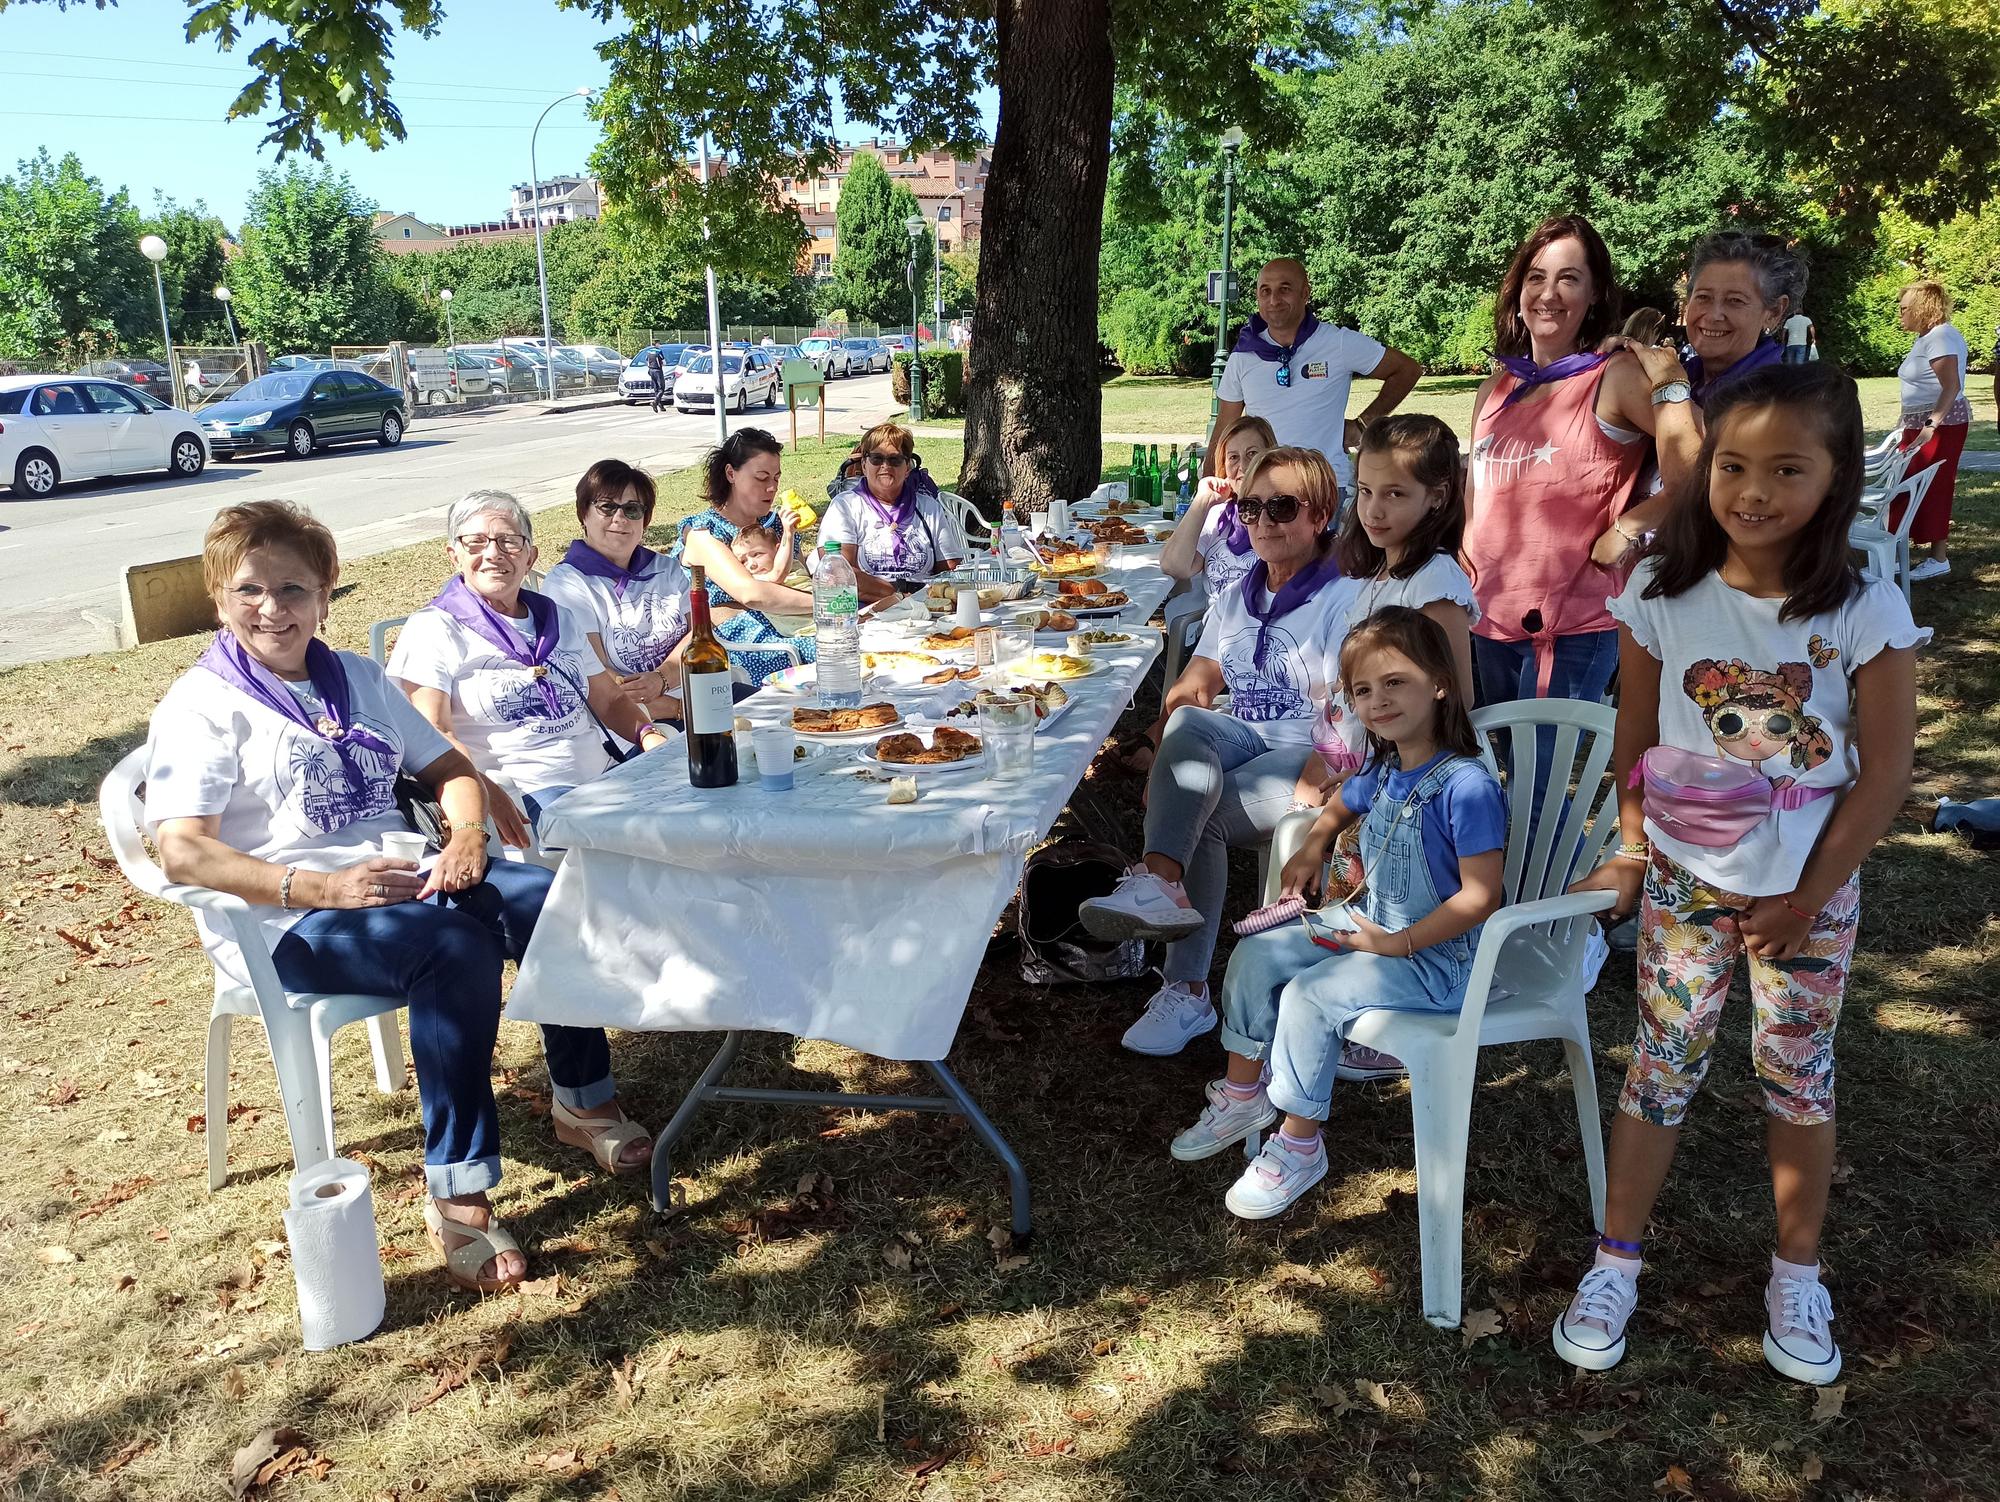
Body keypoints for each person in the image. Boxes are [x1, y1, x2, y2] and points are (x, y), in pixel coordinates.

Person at [145, 501, 656, 1292]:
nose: (272, 609)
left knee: (554, 896)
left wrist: (467, 837)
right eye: (249, 590)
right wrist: (319, 886)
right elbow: (181, 851)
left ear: (325, 593)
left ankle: (581, 1102)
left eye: (294, 589)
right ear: (218, 596)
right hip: (290, 920)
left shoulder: (351, 674)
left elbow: (450, 770)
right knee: (455, 952)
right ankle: (459, 1196)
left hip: (405, 879)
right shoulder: (202, 705)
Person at [1553, 364, 1923, 1385]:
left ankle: (1795, 1271)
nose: (1751, 490)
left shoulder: (1861, 608)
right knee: (1660, 1062)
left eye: (1784, 468)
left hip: (1807, 890)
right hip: (1681, 881)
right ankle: (1613, 1260)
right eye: (1730, 465)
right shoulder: (1658, 594)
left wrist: (1804, 894)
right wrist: (1630, 843)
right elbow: (1635, 731)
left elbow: (1885, 769)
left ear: (1836, 475)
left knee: (1795, 1072)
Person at [1169, 608, 1506, 1218]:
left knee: (1311, 993)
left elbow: (1481, 897)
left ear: (1440, 683)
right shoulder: (1384, 768)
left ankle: (1300, 1143)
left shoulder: (1467, 785)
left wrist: (1396, 946)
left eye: (1395, 682)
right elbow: (1339, 806)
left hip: (1437, 959)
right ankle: (1245, 1091)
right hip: (1369, 926)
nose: (1378, 700)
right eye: (1363, 690)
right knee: (1256, 951)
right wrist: (1313, 844)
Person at [1077, 447, 1350, 1057]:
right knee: (1190, 722)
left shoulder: (1344, 596)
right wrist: (1173, 741)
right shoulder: (1240, 592)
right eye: (1251, 508)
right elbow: (1197, 680)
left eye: (1283, 506)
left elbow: (1351, 705)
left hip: (1311, 751)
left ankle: (1187, 986)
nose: (1264, 521)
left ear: (1322, 514)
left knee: (1200, 819)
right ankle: (1161, 885)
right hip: (1244, 737)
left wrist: (1318, 771)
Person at [1460, 214, 1668, 717]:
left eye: (1568, 278)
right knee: (1499, 767)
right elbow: (1476, 503)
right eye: (1536, 277)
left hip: (1569, 625)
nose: (1548, 293)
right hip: (1486, 617)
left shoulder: (1613, 378)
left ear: (1594, 293)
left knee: (1540, 781)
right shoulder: (1496, 389)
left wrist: (1629, 527)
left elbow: (1709, 459)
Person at [388, 490, 672, 846]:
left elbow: (610, 701)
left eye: (509, 541)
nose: (493, 553)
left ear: (530, 556)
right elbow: (431, 733)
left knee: (698, 809)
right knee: (645, 846)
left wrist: (649, 735)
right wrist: (482, 789)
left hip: (606, 773)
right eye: (475, 542)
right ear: (453, 555)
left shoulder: (556, 618)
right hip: (530, 792)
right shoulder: (434, 628)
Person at [1612, 233, 1810, 515]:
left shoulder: (1777, 392)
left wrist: (1671, 387)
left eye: (1735, 301)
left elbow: (1709, 481)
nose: (1714, 314)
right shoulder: (1690, 373)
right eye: (1703, 297)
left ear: (1774, 313)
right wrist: (1613, 361)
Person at [1123, 415, 1276, 774]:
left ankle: (1160, 743)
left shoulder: (1280, 516)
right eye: (1232, 457)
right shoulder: (1220, 517)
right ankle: (1164, 746)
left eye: (1253, 453)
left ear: (1271, 457)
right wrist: (1202, 501)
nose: (1241, 466)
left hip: (1264, 627)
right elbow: (1175, 565)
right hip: (1216, 631)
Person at [1208, 257, 1422, 495]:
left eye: (1284, 289)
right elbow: (1225, 427)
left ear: (1305, 293)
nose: (1274, 300)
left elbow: (1407, 370)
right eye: (1265, 291)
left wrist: (1363, 424)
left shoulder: (1337, 342)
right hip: (1264, 490)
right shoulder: (1244, 354)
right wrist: (1207, 491)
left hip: (1325, 487)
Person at [540, 459, 692, 731]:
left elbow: (701, 635)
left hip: (689, 692)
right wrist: (669, 706)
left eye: (632, 509)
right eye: (607, 507)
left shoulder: (666, 569)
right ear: (584, 513)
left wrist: (662, 678)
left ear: (645, 520)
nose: (620, 519)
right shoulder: (568, 584)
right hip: (631, 720)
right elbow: (600, 675)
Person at [670, 428, 819, 687]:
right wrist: (830, 604)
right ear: (731, 474)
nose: (772, 487)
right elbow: (750, 593)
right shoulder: (702, 533)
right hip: (741, 643)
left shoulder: (775, 525)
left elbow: (797, 578)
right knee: (833, 655)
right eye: (761, 478)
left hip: (793, 625)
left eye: (776, 477)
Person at [818, 420, 967, 602]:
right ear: (864, 465)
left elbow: (950, 569)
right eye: (877, 459)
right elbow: (838, 573)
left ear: (907, 468)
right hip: (868, 607)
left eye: (895, 459)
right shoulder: (845, 506)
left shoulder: (929, 507)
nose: (886, 466)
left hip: (926, 603)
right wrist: (897, 596)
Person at [1889, 279, 1972, 582]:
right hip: (1920, 423)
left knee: (1932, 486)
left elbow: (1951, 386)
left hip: (1941, 425)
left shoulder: (1942, 338)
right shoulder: (1927, 337)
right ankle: (1898, 553)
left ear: (1923, 309)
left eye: (1905, 309)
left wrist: (1930, 425)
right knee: (1904, 484)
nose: (1900, 314)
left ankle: (1938, 558)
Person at [730, 518, 815, 636]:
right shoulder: (757, 580)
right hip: (807, 631)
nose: (752, 564)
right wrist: (788, 534)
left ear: (778, 550)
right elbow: (777, 575)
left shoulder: (792, 563)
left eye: (757, 554)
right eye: (743, 561)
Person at [646, 346, 666, 414]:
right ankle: (655, 402)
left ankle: (660, 405)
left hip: (651, 370)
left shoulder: (648, 352)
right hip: (658, 371)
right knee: (661, 389)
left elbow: (646, 361)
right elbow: (664, 362)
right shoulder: (658, 352)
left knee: (656, 388)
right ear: (657, 344)